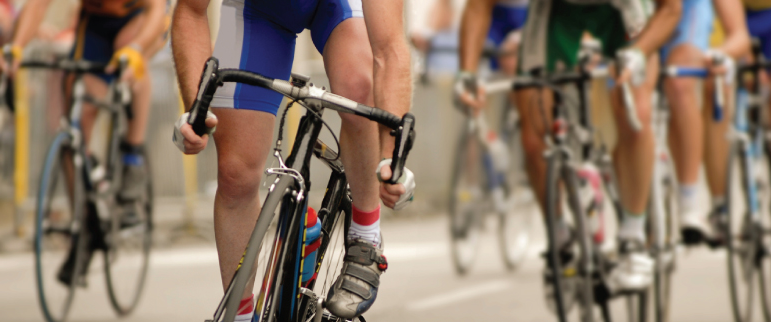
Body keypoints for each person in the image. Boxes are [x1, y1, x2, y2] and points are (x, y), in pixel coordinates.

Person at [170, 0, 414, 320]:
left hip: (340, 7)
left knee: (358, 86)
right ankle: (241, 314)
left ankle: (365, 239)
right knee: (235, 174)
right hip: (260, 11)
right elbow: (190, 10)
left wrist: (391, 158)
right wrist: (196, 109)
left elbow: (389, 47)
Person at [457, 0, 681, 298]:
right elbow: (478, 6)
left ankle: (633, 238)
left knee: (635, 111)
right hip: (556, 12)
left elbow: (671, 8)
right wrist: (466, 73)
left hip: (624, 11)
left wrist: (639, 54)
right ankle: (559, 237)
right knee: (535, 136)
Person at [0, 0, 167, 285]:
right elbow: (38, 5)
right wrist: (17, 47)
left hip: (140, 18)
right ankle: (86, 222)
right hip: (97, 24)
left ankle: (132, 156)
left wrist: (137, 51)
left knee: (131, 63)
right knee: (76, 125)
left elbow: (157, 8)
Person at [660, 0, 749, 245]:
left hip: (689, 18)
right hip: (642, 18)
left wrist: (722, 54)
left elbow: (739, 33)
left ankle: (704, 202)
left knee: (691, 83)